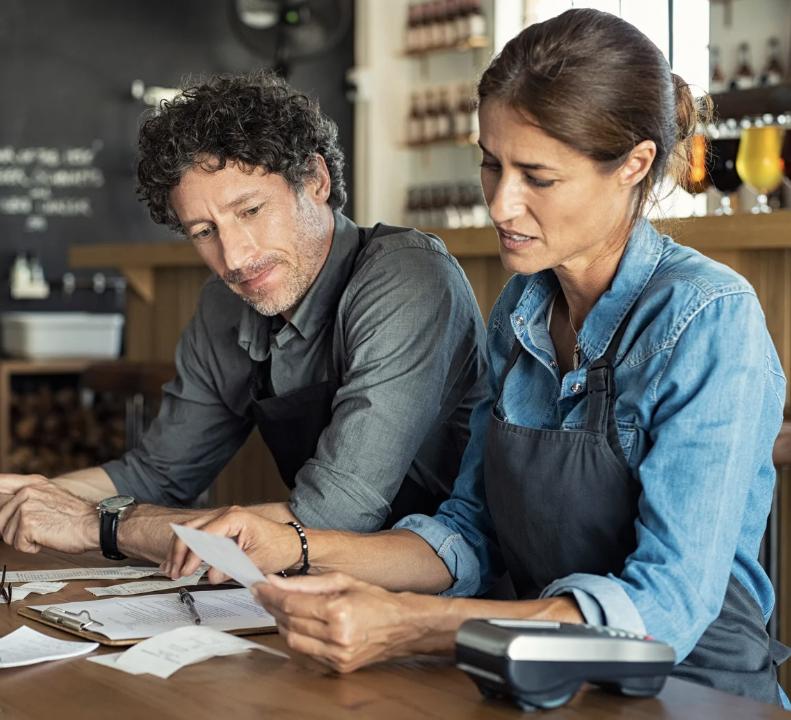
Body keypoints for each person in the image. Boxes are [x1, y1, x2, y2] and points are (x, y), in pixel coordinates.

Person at [169, 10, 790, 707]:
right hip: (540, 681)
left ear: (634, 166)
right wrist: (292, 544)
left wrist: (414, 625)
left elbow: (666, 608)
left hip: (691, 695)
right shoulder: (522, 309)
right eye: (492, 164)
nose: (499, 204)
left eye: (537, 177)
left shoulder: (708, 318)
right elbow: (470, 533)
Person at [0, 71, 488, 564]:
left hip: (452, 591)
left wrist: (98, 526)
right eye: (204, 231)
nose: (235, 257)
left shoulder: (407, 278)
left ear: (315, 180)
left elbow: (332, 516)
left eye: (250, 210)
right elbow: (158, 473)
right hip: (325, 592)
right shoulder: (224, 304)